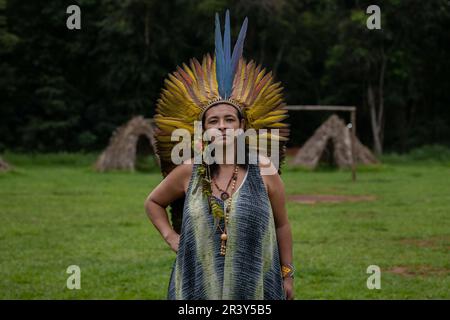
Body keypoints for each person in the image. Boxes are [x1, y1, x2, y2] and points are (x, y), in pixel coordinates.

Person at [144, 10, 294, 300]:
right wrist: (171, 237)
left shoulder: (263, 170)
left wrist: (287, 273)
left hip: (255, 287)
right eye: (213, 121)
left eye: (229, 119)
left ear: (242, 127)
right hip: (196, 283)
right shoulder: (190, 171)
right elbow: (153, 202)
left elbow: (282, 224)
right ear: (203, 130)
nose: (222, 126)